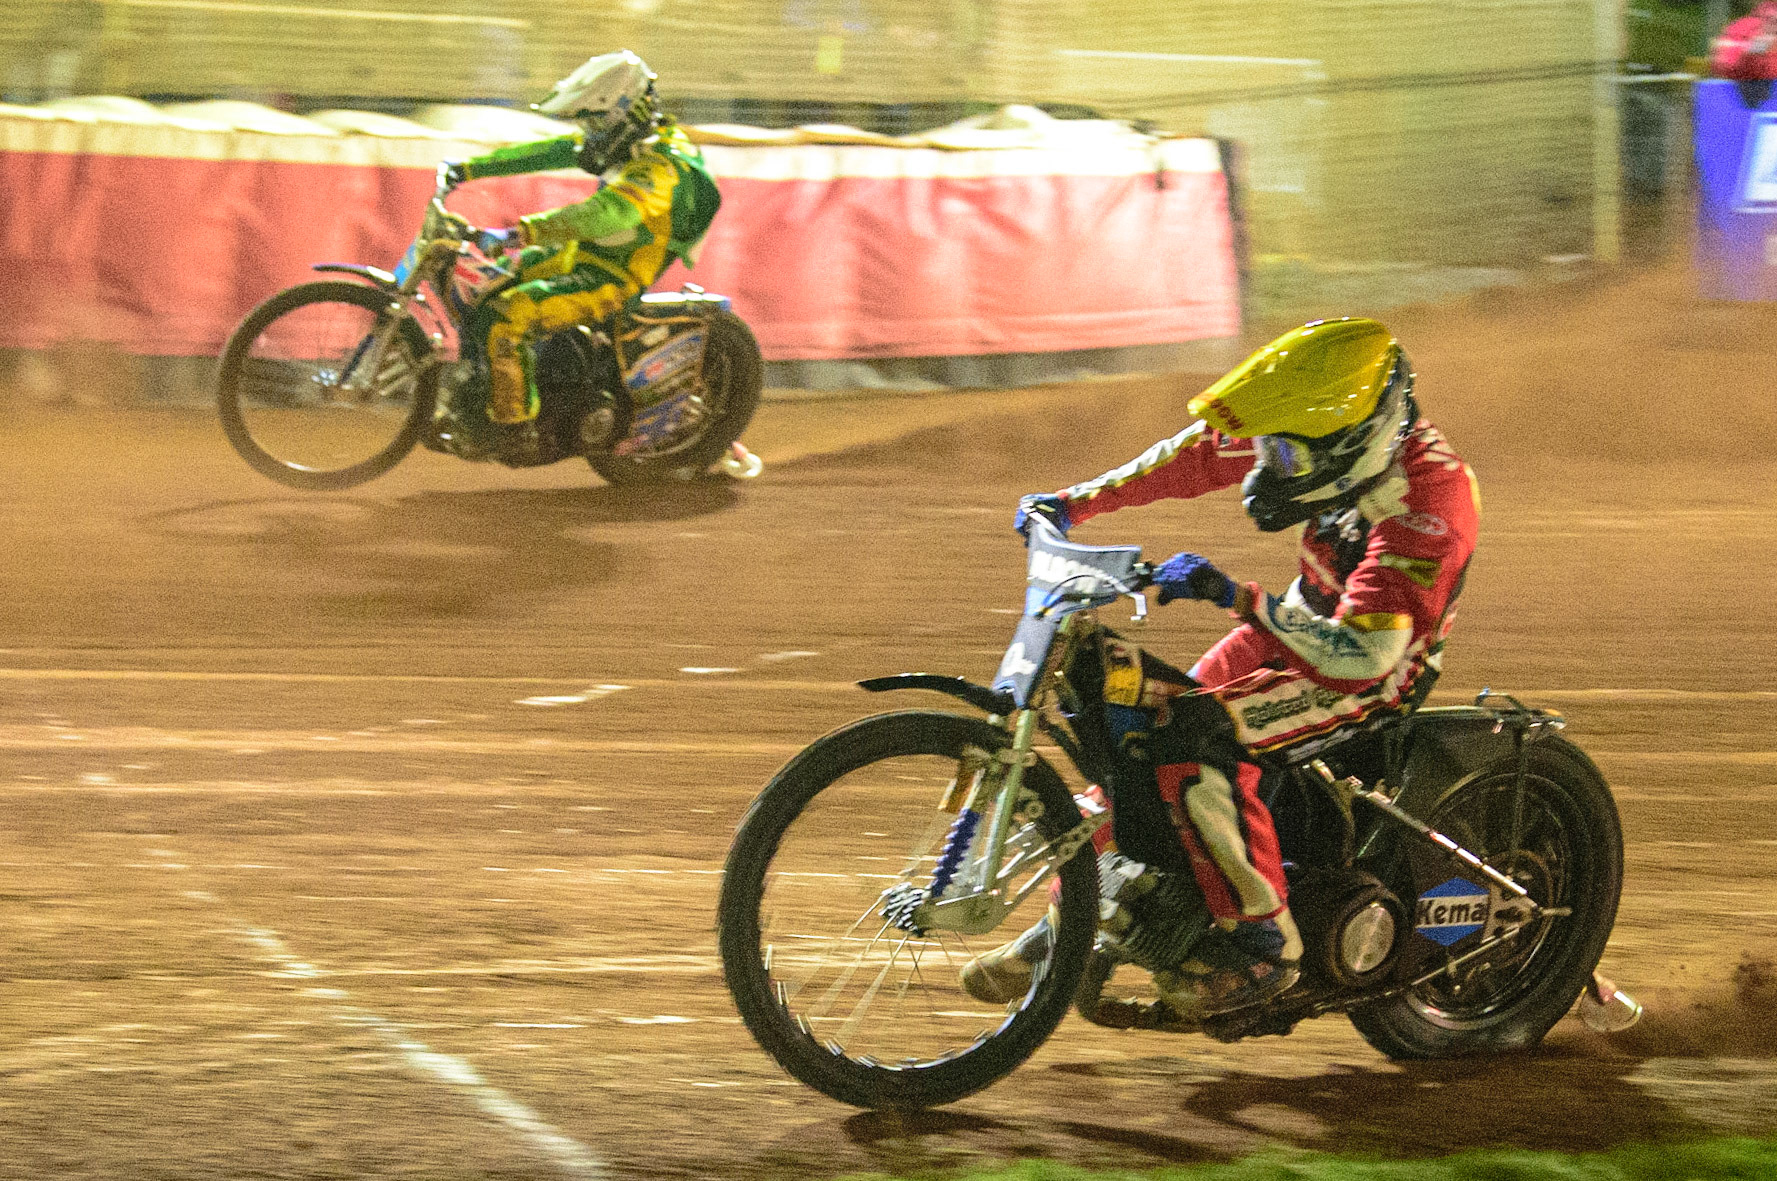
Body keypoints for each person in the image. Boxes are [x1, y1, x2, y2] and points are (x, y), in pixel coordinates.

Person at [966, 317, 1480, 1021]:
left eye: (1285, 457)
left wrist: (1234, 596)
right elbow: (1203, 454)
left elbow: (1362, 655)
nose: (1268, 466)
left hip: (1364, 668)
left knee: (1198, 740)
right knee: (1136, 724)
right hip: (1300, 624)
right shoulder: (1326, 433)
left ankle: (1264, 945)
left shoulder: (1428, 506)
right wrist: (1075, 501)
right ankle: (1071, 926)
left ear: (1354, 444)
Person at [432, 50, 721, 460]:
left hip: (613, 277)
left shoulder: (661, 168)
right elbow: (552, 151)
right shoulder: (628, 139)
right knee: (485, 288)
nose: (589, 130)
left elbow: (605, 214)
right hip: (576, 256)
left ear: (626, 112)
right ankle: (478, 403)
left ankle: (513, 430)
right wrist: (468, 169)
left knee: (509, 316)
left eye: (596, 120)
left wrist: (523, 232)